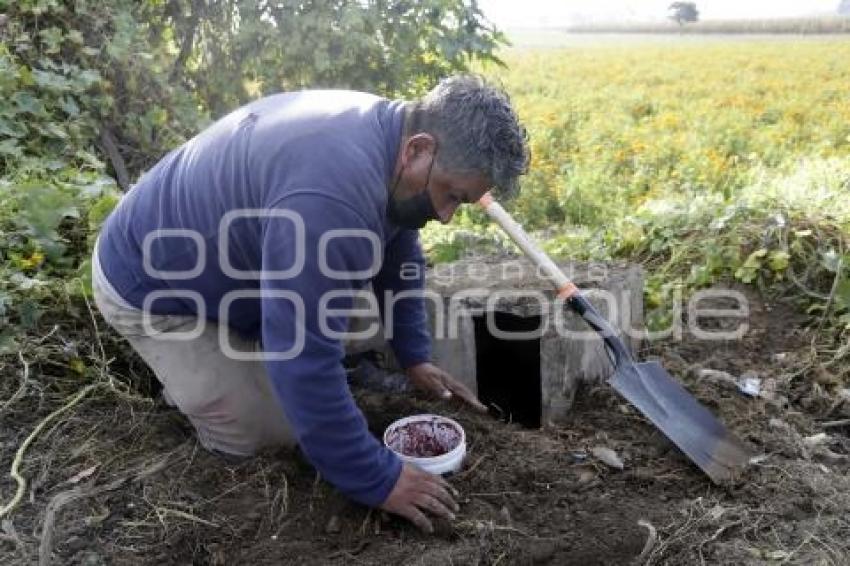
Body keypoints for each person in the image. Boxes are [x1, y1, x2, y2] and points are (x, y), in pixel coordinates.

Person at [92, 74, 529, 533]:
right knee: (271, 435)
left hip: (246, 269)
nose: (444, 216)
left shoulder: (393, 136)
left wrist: (413, 355)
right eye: (451, 195)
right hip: (158, 292)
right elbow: (300, 355)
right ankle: (194, 386)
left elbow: (399, 248)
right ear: (418, 150)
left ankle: (267, 357)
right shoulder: (330, 193)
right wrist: (376, 478)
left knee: (332, 311)